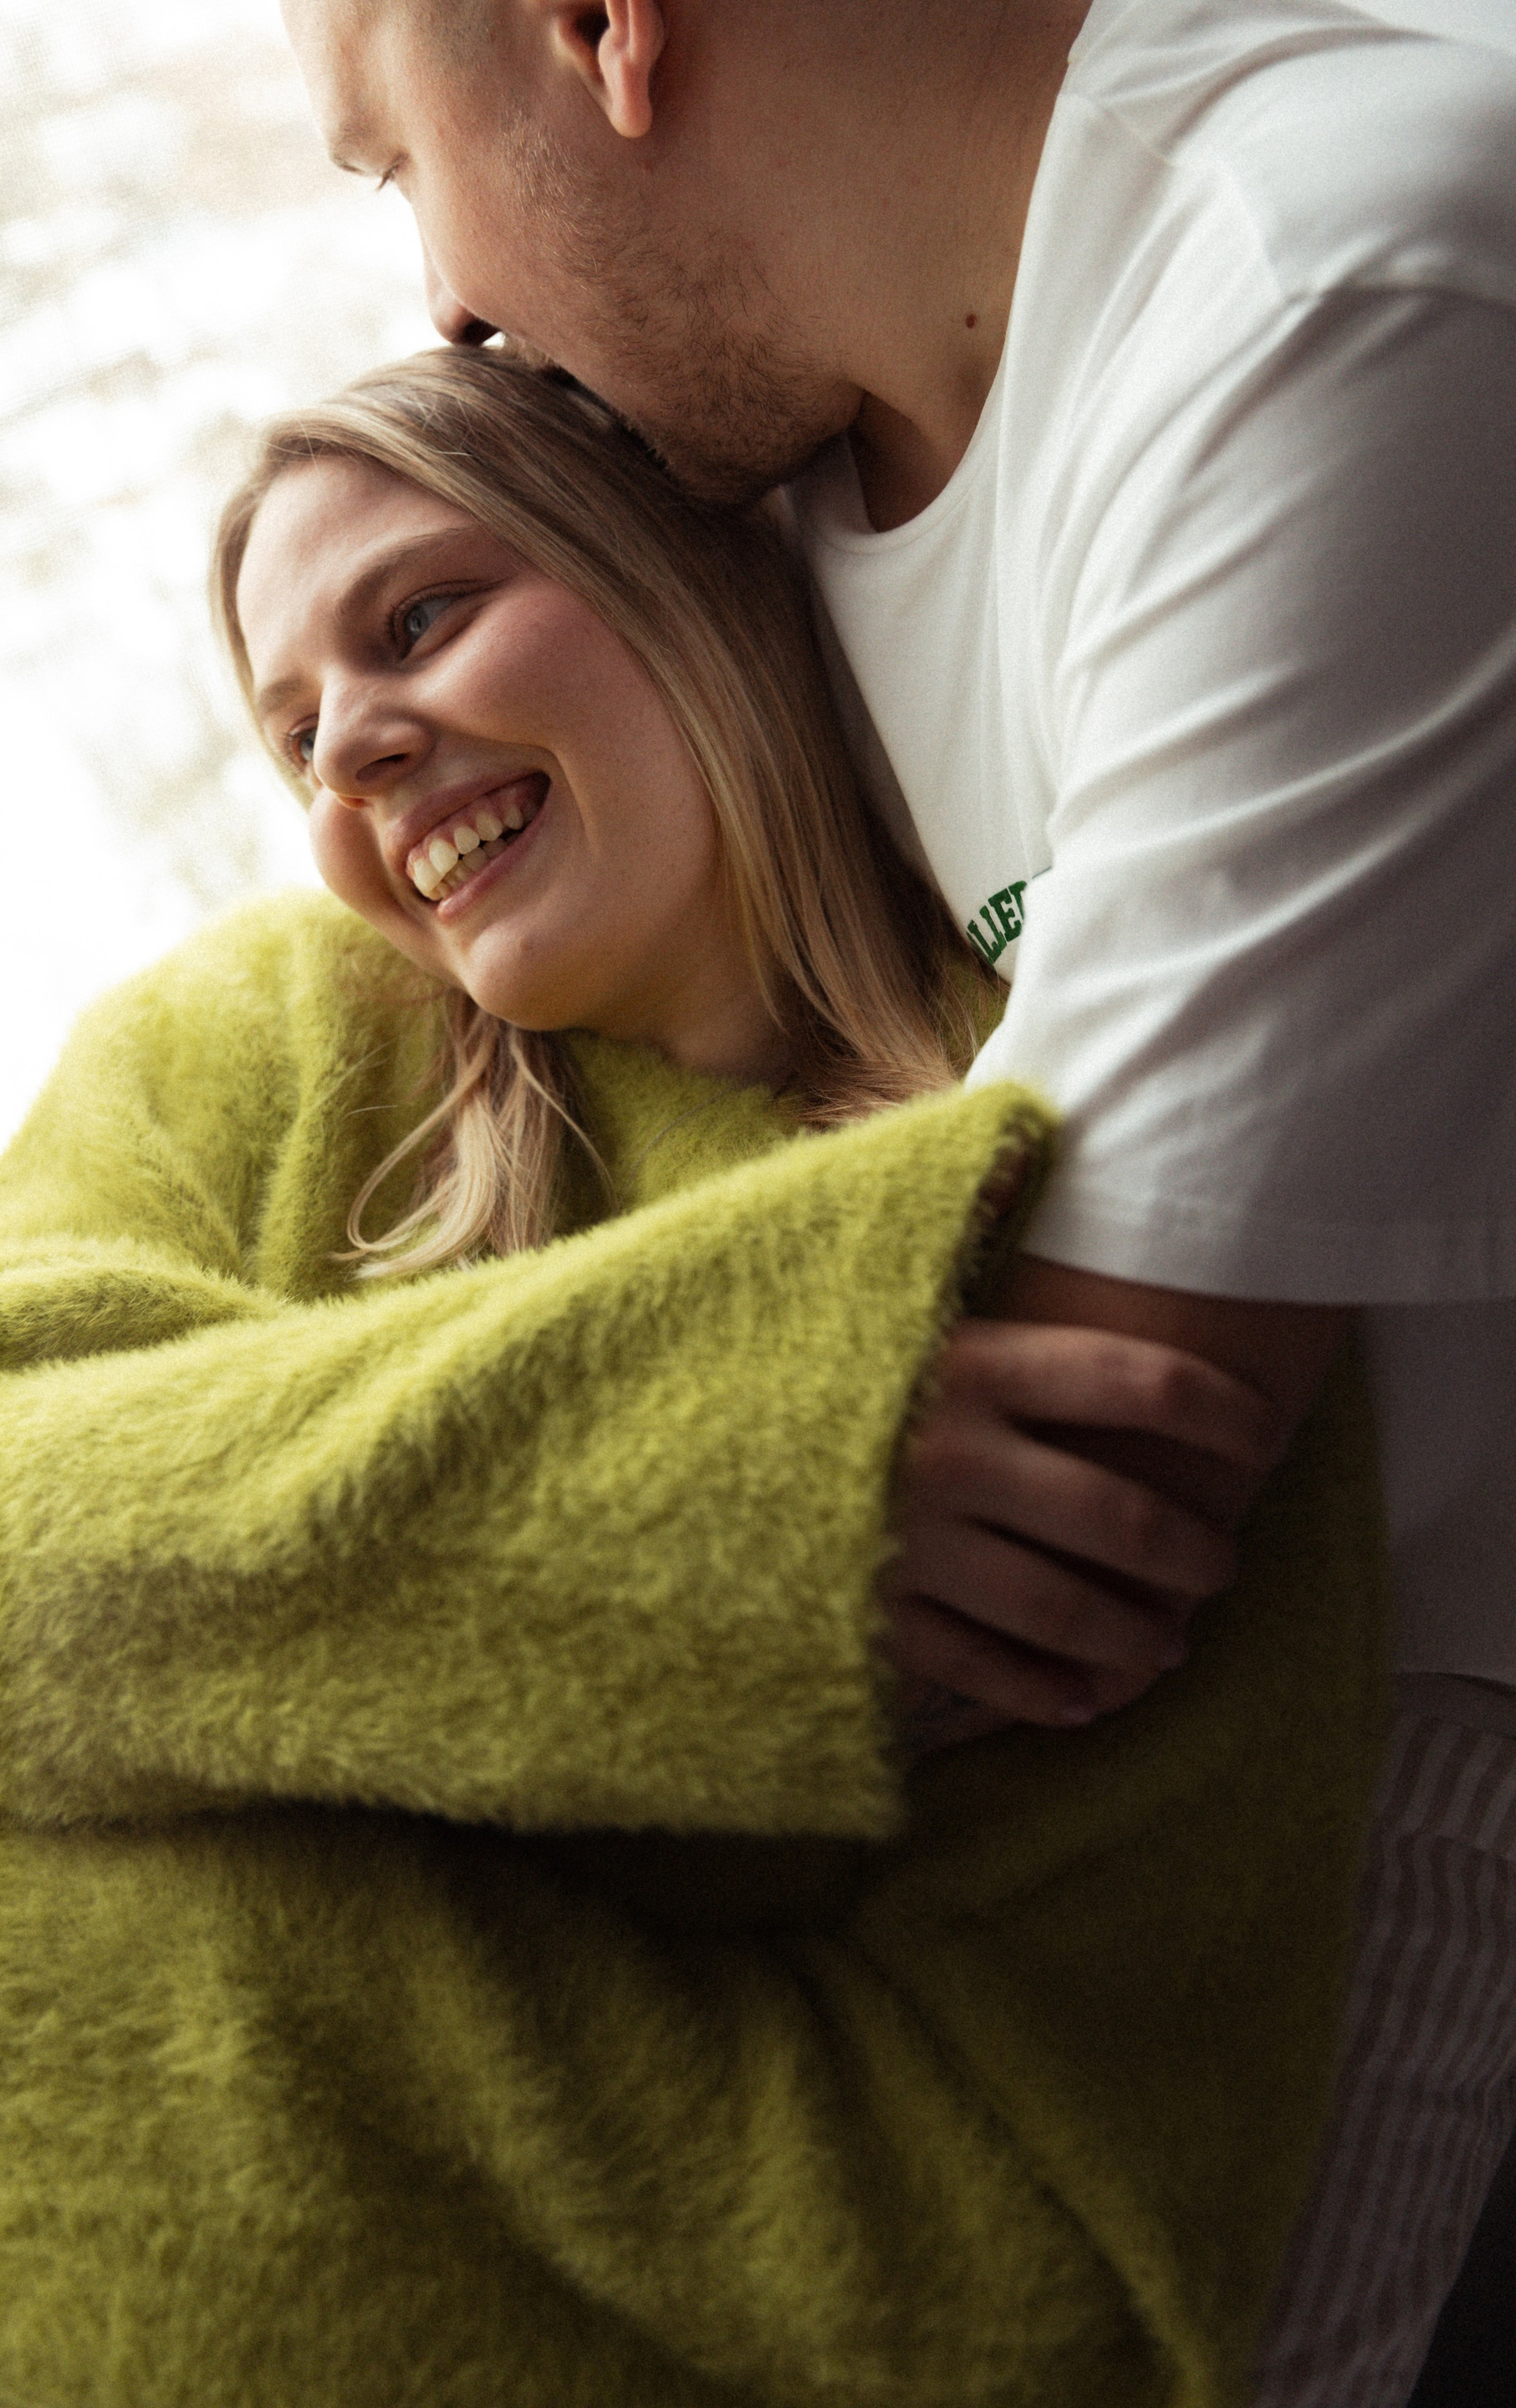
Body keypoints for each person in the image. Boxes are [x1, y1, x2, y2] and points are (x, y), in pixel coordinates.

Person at [0, 348, 1384, 2408]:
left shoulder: (1091, 1203)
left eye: (420, 616)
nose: (351, 755)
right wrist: (724, 1473)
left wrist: (62, 1864)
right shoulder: (268, 1030)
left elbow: (1038, 2245)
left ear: (682, 570)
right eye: (294, 733)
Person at [273, 1, 1516, 2402]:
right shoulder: (763, 509)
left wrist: (155, 1696)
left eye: (390, 164)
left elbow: (1075, 1473)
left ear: (601, 30)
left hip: (1377, 1773)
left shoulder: (1334, 286)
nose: (438, 303)